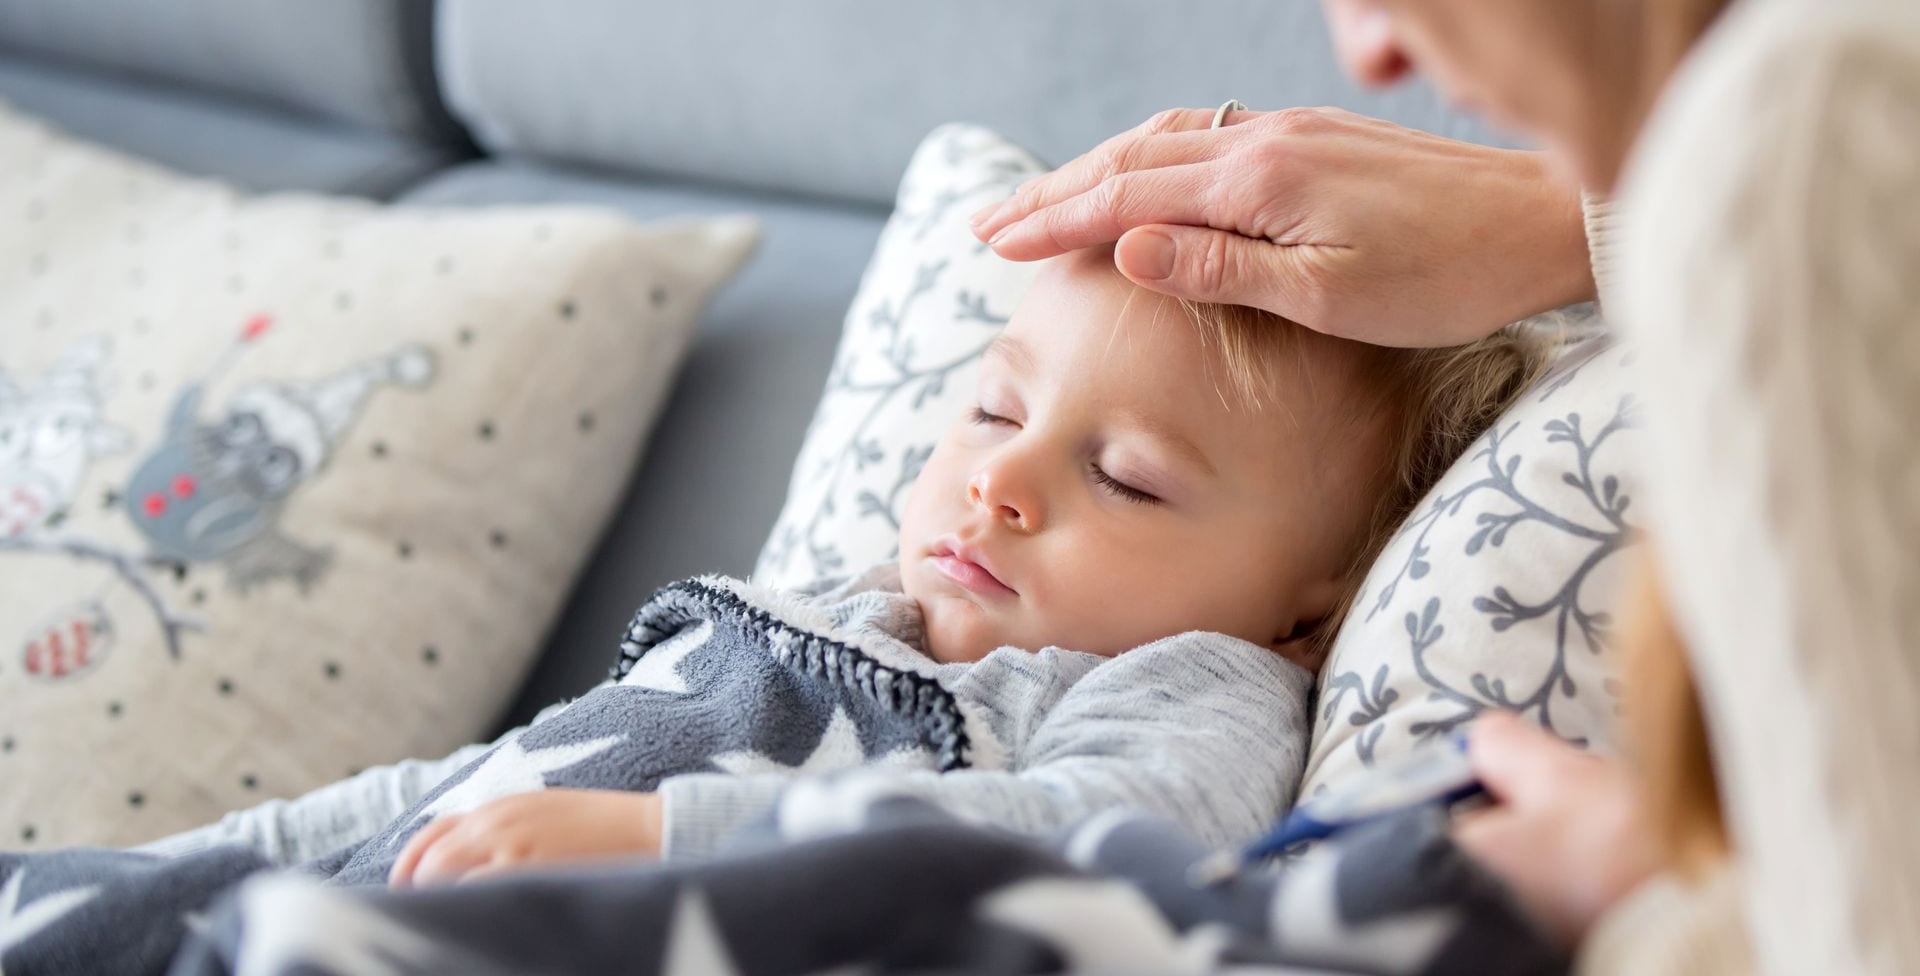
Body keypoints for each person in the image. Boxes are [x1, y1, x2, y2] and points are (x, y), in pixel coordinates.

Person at [971, 0, 1920, 972]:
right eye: (989, 410)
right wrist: (1574, 219)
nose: (1364, 50)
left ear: (1310, 616)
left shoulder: (1817, 128)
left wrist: (1633, 903)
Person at [132, 248, 1542, 891]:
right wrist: (174, 873)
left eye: (1125, 477)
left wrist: (667, 846)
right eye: (995, 411)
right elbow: (463, 788)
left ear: (1307, 618)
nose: (1000, 478)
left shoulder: (1188, 689)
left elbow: (1106, 838)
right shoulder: (819, 611)